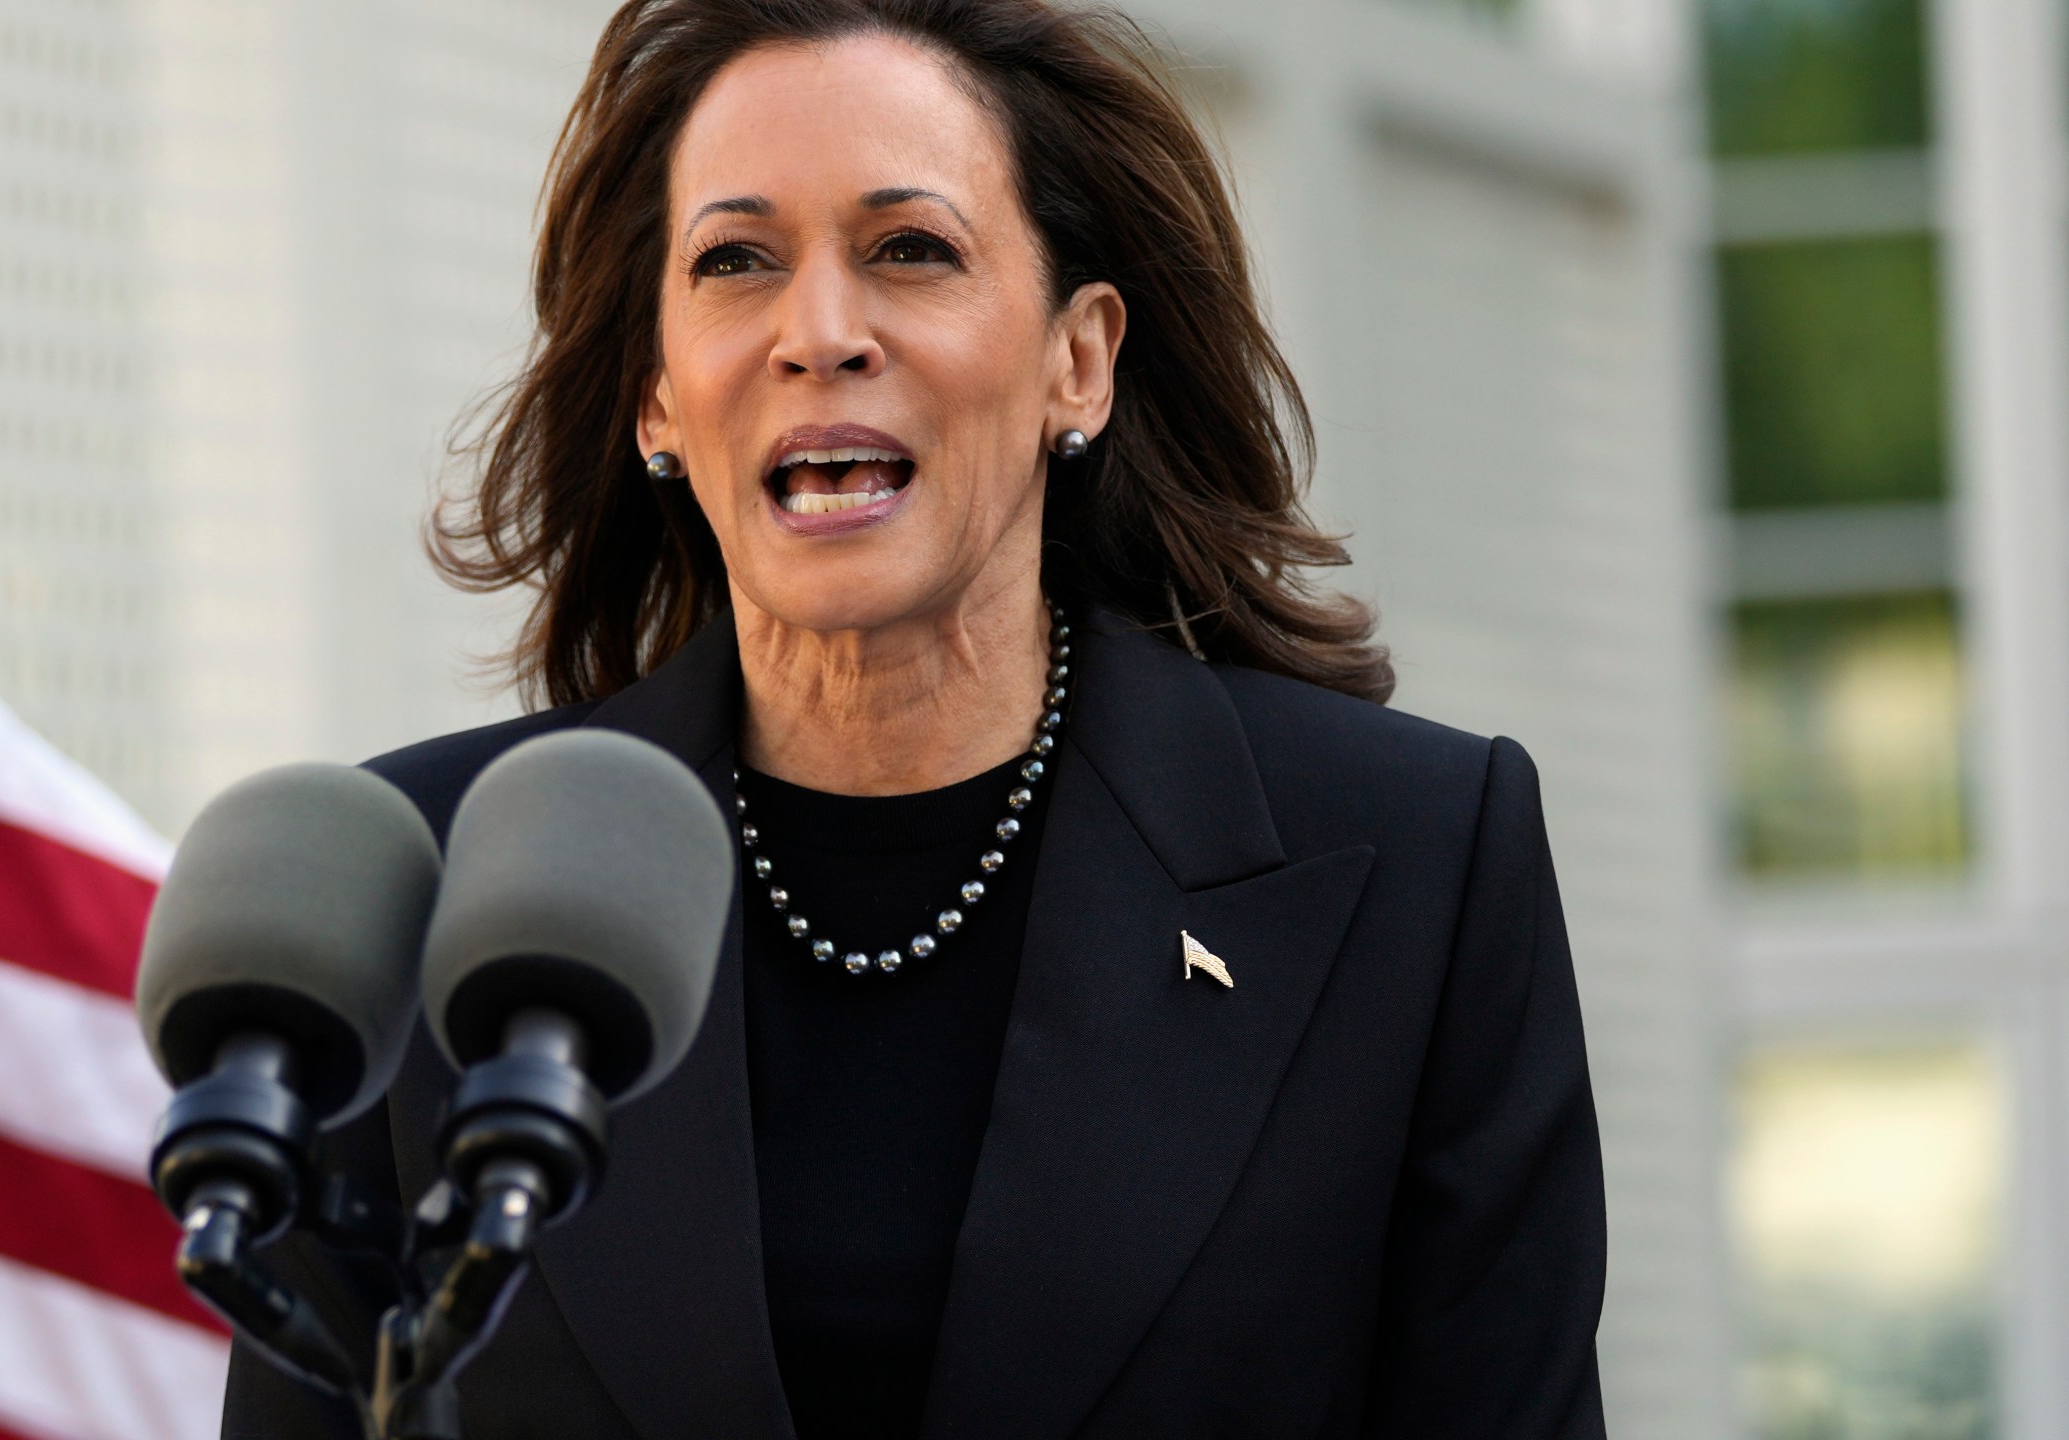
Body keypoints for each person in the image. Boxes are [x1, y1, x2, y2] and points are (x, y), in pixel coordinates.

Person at [222, 0, 1608, 1435]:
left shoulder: (1415, 867)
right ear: (653, 392)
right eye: (736, 262)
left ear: (1081, 361)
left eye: (910, 250)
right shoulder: (418, 901)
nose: (818, 335)